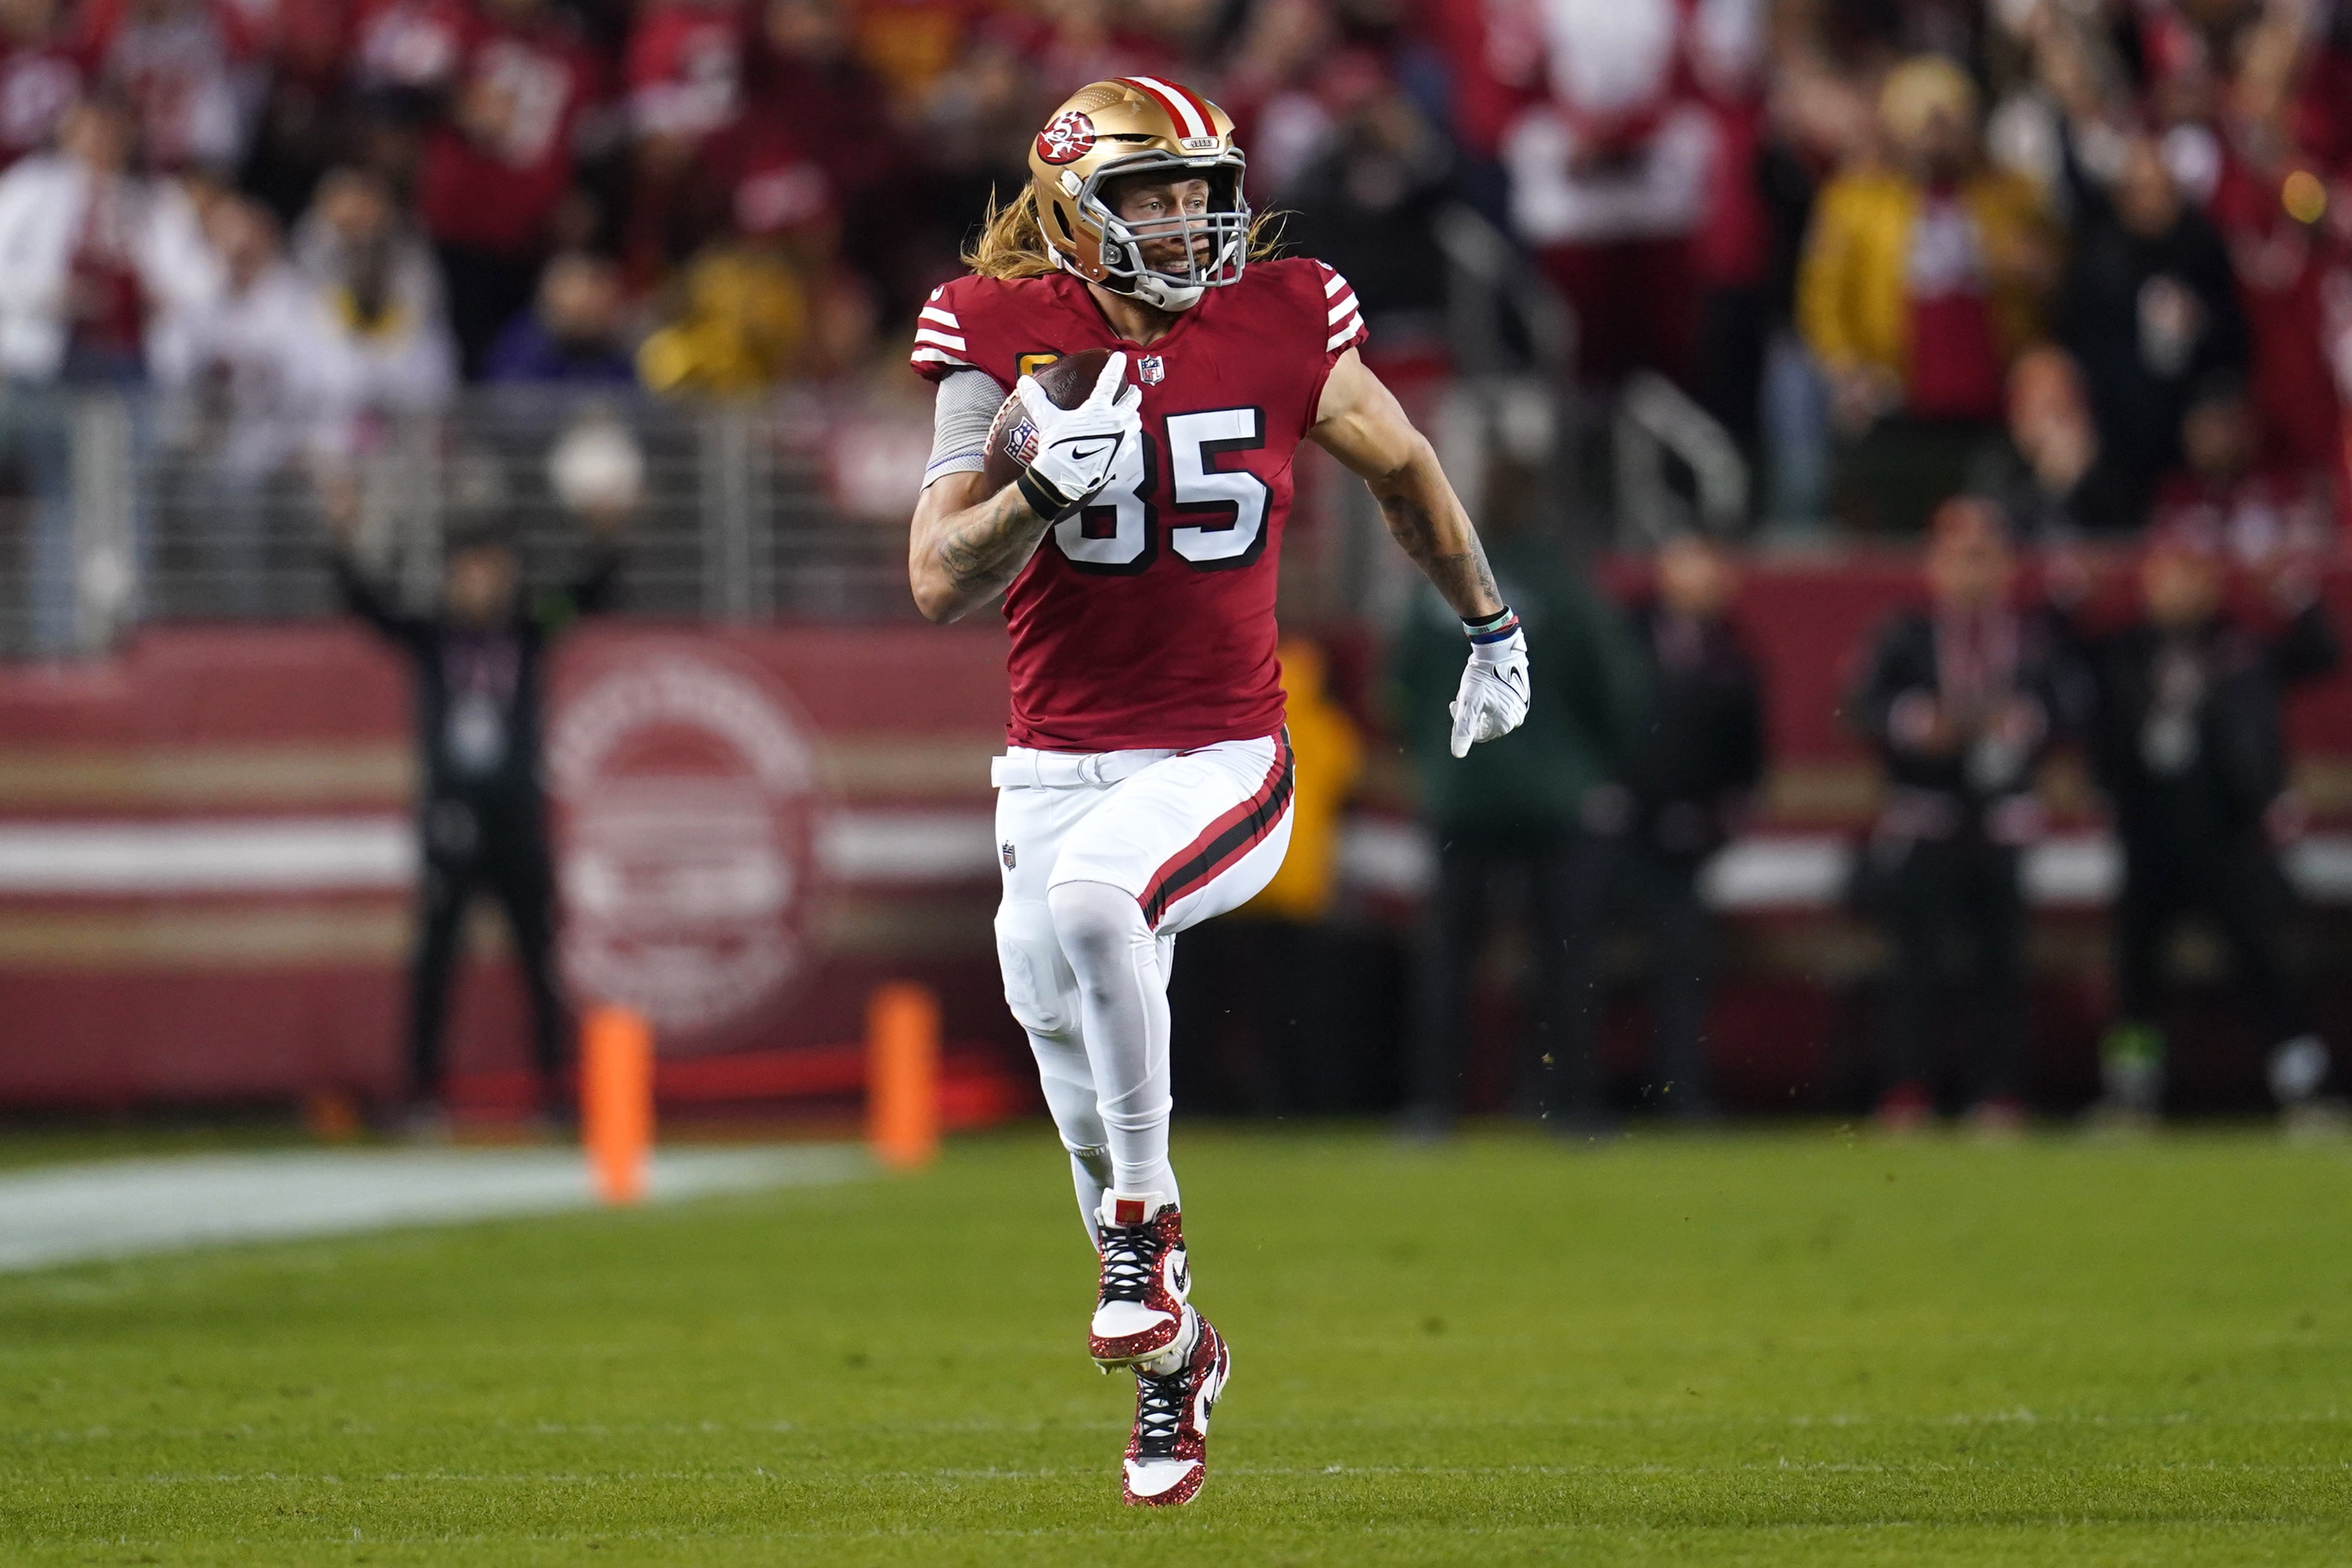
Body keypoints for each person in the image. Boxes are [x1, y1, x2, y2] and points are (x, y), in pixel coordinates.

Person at [904, 78, 1530, 1507]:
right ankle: (1177, 1356)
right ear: (1076, 208)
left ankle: (1146, 1225)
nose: (1190, 221)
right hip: (1053, 763)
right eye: (1156, 195)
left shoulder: (1287, 312)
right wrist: (1032, 494)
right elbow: (941, 573)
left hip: (1222, 755)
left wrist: (1491, 624)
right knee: (1066, 1060)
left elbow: (1404, 465)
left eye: (1203, 190)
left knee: (1099, 901)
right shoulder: (998, 334)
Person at [326, 497, 625, 1132]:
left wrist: (608, 533)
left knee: (539, 959)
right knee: (434, 962)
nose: (480, 583)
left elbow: (589, 595)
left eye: (490, 569)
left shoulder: (527, 628)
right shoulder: (434, 636)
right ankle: (419, 1096)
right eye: (469, 570)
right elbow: (368, 606)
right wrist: (345, 539)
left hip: (516, 819)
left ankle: (556, 1095)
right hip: (453, 820)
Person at [2069, 525, 2341, 1125]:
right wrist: (2073, 592)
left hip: (2229, 827)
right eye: (2167, 575)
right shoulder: (2125, 649)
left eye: (2192, 574)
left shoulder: (2240, 646)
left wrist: (2292, 590)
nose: (2179, 589)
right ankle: (2132, 1090)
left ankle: (2301, 1086)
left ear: (2212, 582)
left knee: (2264, 961)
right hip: (2148, 829)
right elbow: (2057, 653)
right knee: (2137, 968)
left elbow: (2323, 652)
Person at [1393, 511, 1642, 1137]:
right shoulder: (1568, 589)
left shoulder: (1434, 591)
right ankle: (1568, 1106)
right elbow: (1618, 694)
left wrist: (1437, 761)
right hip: (1557, 806)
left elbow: (1396, 691)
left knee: (1449, 960)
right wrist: (1580, 766)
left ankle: (1435, 1107)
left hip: (1461, 800)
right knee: (1564, 959)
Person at [1847, 498, 2081, 1130]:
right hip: (1928, 818)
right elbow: (1864, 704)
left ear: (2006, 566)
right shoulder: (1907, 632)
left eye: (1984, 556)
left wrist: (2023, 722)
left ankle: (1997, 1092)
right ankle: (1907, 1089)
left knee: (2000, 965)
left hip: (2001, 819)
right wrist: (1920, 723)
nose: (1972, 571)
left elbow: (2071, 704)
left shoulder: (2032, 634)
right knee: (1915, 964)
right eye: (1959, 556)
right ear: (1936, 564)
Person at [1797, 56, 2058, 534]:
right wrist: (1845, 366)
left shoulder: (2011, 194)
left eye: (1949, 123)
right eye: (1925, 124)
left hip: (1991, 386)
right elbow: (1824, 299)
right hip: (1899, 389)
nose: (1937, 137)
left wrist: (2035, 269)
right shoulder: (1857, 201)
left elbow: (2052, 274)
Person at [1576, 533, 1767, 1123]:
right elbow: (1587, 713)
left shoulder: (1733, 657)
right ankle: (1564, 1094)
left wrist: (1714, 821)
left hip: (1684, 838)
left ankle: (1681, 1096)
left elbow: (1747, 760)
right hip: (1612, 830)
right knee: (1572, 955)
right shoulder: (1623, 637)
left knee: (1683, 967)